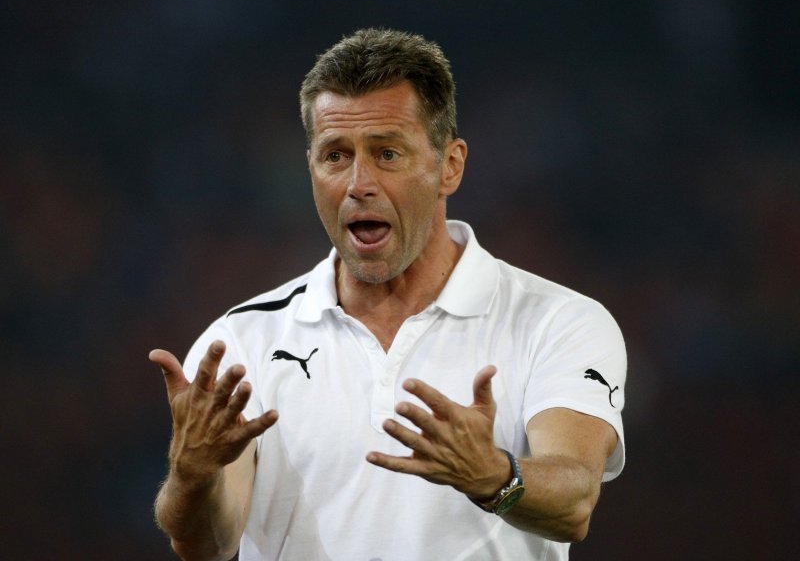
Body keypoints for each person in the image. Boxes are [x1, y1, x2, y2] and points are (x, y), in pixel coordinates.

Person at [149, 28, 626, 561]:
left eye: (388, 153)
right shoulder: (243, 341)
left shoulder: (559, 322)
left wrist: (494, 475)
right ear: (311, 169)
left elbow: (574, 501)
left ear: (449, 165)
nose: (359, 183)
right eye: (335, 155)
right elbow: (207, 544)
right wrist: (192, 476)